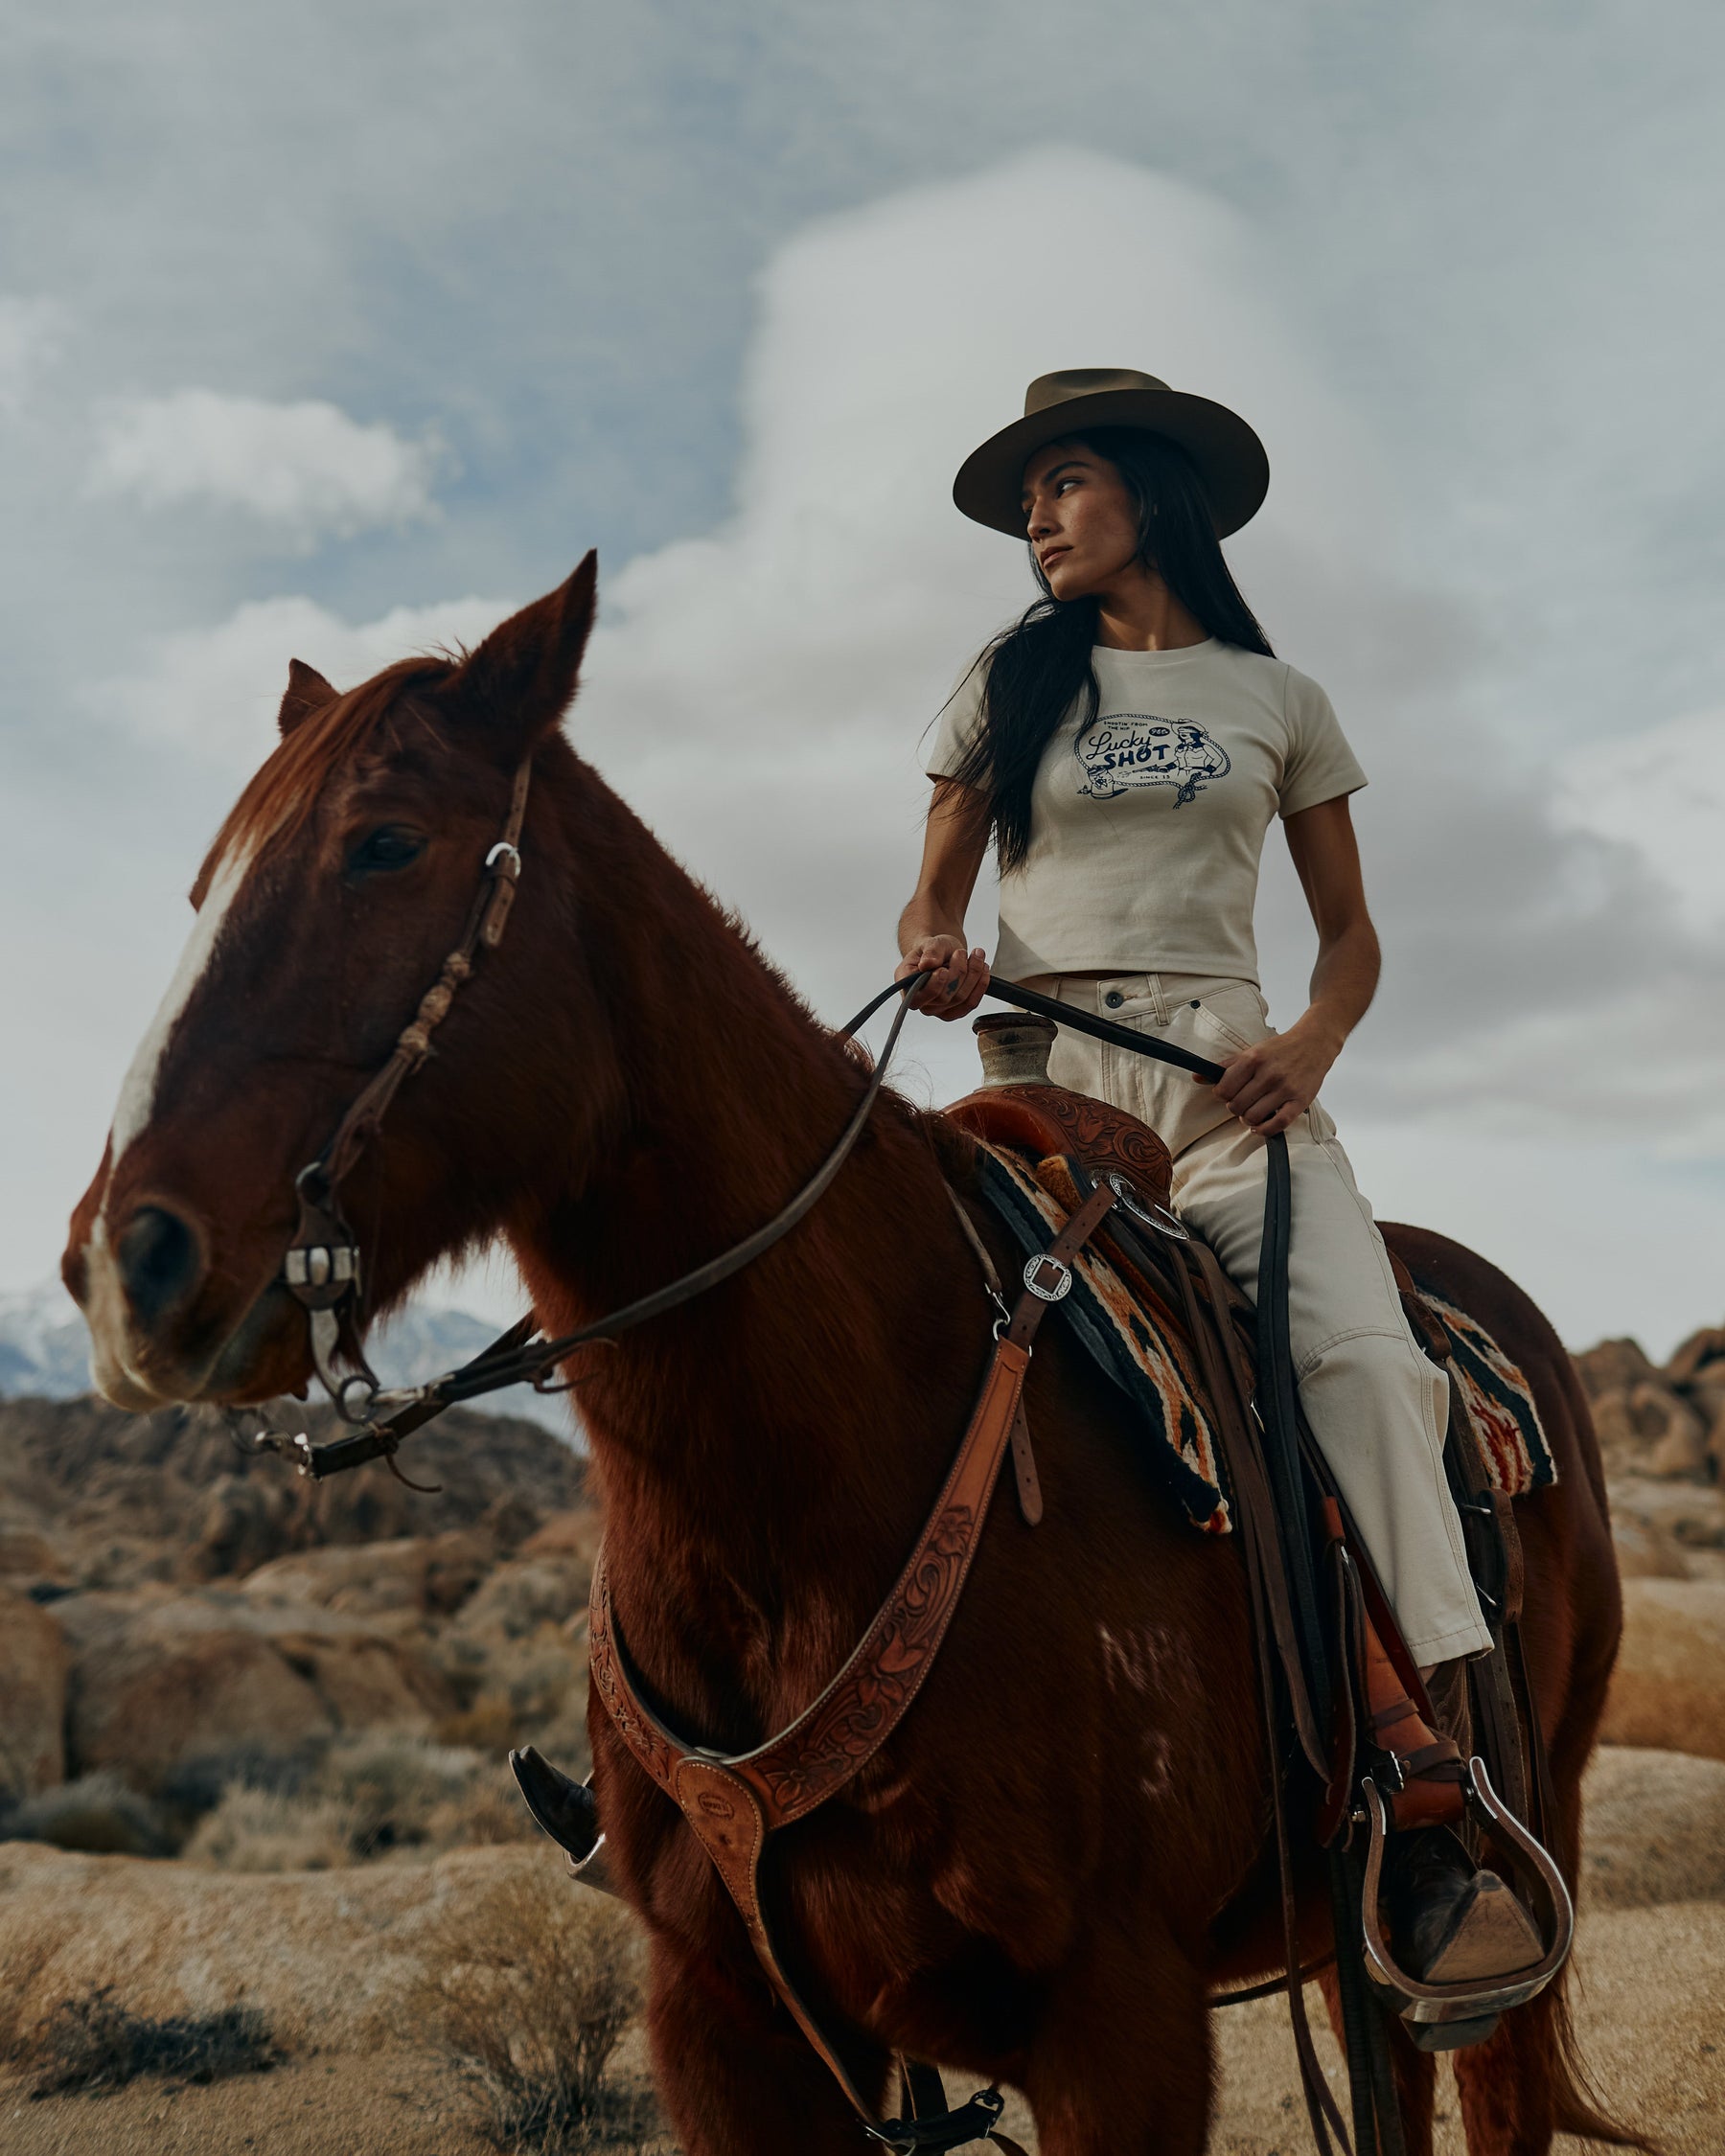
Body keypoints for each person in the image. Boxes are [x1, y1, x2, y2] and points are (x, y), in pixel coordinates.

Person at [896, 367, 1493, 1710]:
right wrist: (932, 946)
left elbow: (1352, 937)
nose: (1040, 521)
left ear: (1150, 494)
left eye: (1066, 484)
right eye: (1030, 499)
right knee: (863, 1328)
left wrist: (1313, 1047)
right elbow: (932, 887)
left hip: (1227, 1095)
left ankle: (1435, 1743)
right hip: (1039, 1093)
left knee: (1363, 1361)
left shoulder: (1279, 699)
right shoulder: (1009, 678)